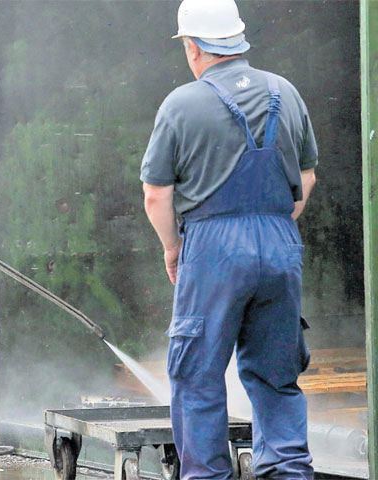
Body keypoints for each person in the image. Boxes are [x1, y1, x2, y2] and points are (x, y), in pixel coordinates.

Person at [140, 0, 317, 478]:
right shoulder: (286, 91)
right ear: (237, 41)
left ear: (193, 47)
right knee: (277, 376)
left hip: (213, 249)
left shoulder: (181, 103)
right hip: (280, 241)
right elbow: (307, 176)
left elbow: (157, 195)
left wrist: (173, 248)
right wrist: (275, 223)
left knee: (197, 377)